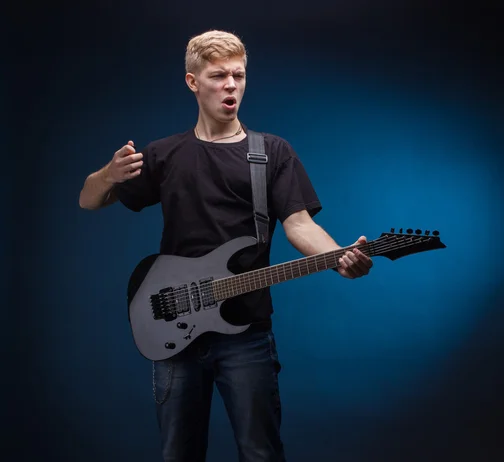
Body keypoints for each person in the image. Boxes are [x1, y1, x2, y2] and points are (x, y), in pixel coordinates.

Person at [78, 29, 373, 462]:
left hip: (247, 333)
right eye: (218, 76)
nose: (231, 85)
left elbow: (298, 223)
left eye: (239, 75)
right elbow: (88, 199)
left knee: (260, 452)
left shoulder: (271, 152)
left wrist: (337, 259)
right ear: (193, 82)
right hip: (174, 327)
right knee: (179, 453)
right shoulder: (165, 155)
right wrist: (108, 174)